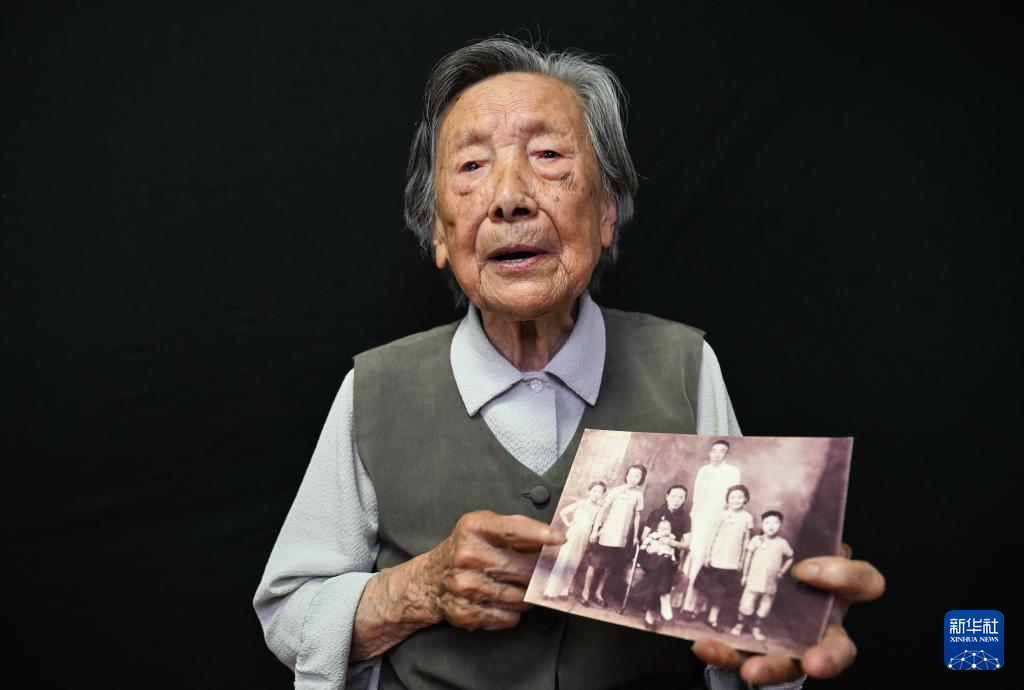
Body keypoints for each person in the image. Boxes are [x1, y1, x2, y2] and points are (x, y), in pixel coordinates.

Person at [253, 36, 885, 690]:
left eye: (549, 156)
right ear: (439, 232)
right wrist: (419, 589)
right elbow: (289, 610)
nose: (509, 197)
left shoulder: (685, 364)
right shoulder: (374, 388)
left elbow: (738, 640)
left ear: (606, 212)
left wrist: (781, 632)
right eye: (471, 165)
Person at [683, 439, 742, 619]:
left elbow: (732, 498)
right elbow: (697, 497)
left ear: (727, 454)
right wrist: (692, 521)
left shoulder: (733, 472)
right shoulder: (703, 470)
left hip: (717, 521)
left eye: (721, 451)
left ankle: (696, 607)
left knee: (707, 562)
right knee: (692, 557)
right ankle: (682, 602)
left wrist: (724, 520)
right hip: (699, 519)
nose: (716, 455)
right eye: (714, 450)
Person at [578, 464, 646, 608]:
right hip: (606, 534)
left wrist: (635, 536)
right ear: (626, 475)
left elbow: (637, 516)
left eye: (637, 476)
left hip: (621, 538)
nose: (633, 478)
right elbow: (602, 510)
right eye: (631, 475)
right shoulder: (617, 490)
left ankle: (598, 593)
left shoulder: (638, 495)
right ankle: (585, 593)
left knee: (608, 568)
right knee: (594, 564)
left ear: (641, 479)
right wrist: (595, 530)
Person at [696, 484, 754, 632]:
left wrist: (741, 561)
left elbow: (746, 541)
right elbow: (712, 536)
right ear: (728, 499)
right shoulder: (722, 515)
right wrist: (707, 554)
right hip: (716, 557)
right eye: (732, 497)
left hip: (732, 562)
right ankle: (697, 611)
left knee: (721, 593)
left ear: (745, 499)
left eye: (739, 497)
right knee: (707, 587)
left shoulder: (747, 518)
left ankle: (713, 618)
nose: (736, 500)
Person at [732, 510, 795, 642]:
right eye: (767, 522)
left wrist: (781, 571)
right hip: (754, 578)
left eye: (775, 523)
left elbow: (790, 557)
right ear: (762, 525)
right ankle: (740, 624)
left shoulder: (782, 543)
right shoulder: (756, 540)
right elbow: (747, 558)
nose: (771, 526)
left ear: (780, 525)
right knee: (747, 603)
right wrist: (744, 575)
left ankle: (757, 628)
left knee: (764, 606)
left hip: (770, 582)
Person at [542, 480, 606, 599]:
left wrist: (594, 533)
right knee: (564, 559)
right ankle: (550, 590)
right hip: (573, 535)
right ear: (589, 492)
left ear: (602, 495)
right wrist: (568, 523)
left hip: (584, 537)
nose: (596, 494)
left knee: (574, 562)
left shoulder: (599, 508)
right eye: (594, 491)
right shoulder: (580, 504)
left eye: (600, 492)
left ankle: (563, 591)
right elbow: (563, 512)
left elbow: (597, 523)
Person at [638, 485, 691, 627]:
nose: (676, 500)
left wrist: (671, 542)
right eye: (673, 496)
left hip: (669, 557)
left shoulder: (686, 518)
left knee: (663, 562)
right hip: (650, 553)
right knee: (661, 562)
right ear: (667, 497)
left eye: (680, 497)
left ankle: (650, 611)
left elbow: (686, 545)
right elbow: (643, 537)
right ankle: (664, 596)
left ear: (684, 500)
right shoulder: (656, 513)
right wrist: (653, 545)